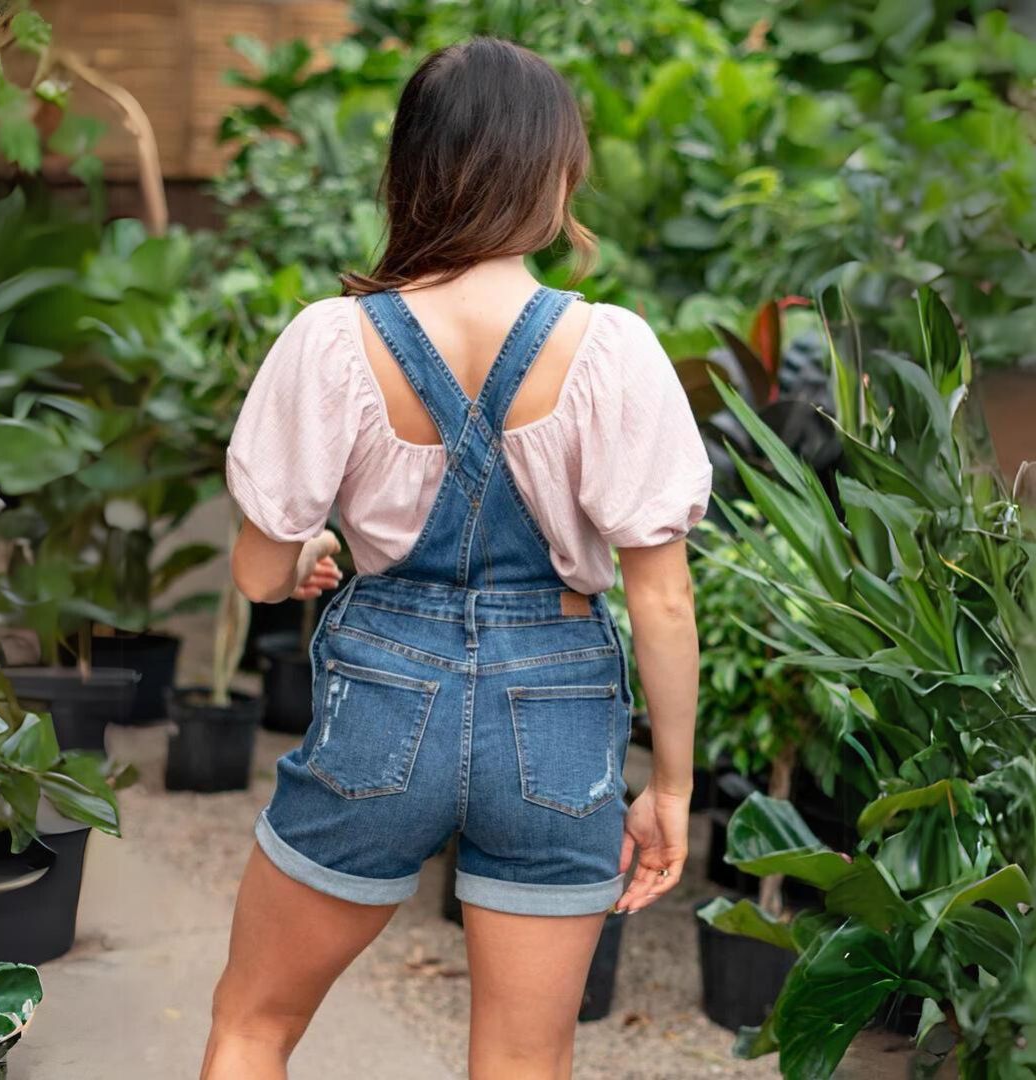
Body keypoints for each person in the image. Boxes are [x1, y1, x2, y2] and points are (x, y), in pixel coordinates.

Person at [201, 35, 711, 1080]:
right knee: (525, 1062)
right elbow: (661, 603)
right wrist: (670, 787)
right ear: (554, 172)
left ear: (410, 170)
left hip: (383, 699)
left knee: (254, 1024)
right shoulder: (613, 349)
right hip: (560, 719)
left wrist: (304, 552)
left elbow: (257, 576)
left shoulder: (333, 342)